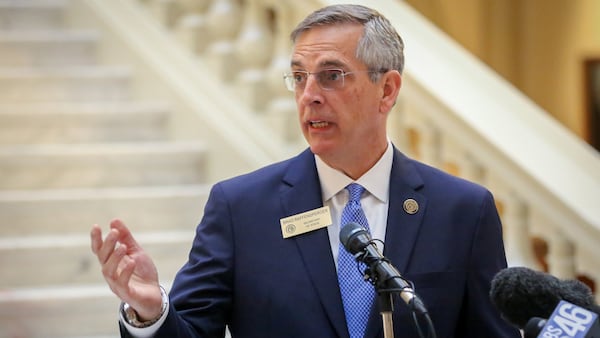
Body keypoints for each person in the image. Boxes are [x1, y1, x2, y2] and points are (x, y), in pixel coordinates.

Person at [91, 4, 521, 338]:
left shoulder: (463, 210)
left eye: (331, 76)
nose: (309, 95)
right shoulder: (241, 210)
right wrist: (150, 311)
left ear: (386, 90)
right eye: (299, 77)